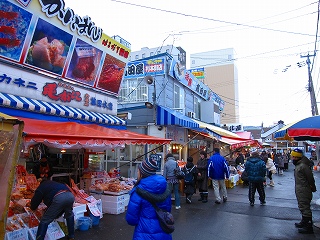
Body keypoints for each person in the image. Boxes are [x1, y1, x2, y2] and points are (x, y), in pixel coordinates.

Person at [126, 158, 172, 240]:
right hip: (163, 231)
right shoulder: (164, 186)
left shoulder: (138, 191)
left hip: (143, 233)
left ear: (142, 172)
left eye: (138, 170)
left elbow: (131, 219)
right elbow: (167, 209)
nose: (137, 172)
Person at [291, 148, 317, 234]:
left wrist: (312, 187)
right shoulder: (299, 165)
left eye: (294, 157)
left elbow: (310, 178)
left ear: (298, 157)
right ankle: (304, 222)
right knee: (302, 205)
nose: (292, 158)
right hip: (300, 188)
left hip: (304, 188)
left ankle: (308, 226)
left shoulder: (303, 166)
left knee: (305, 206)